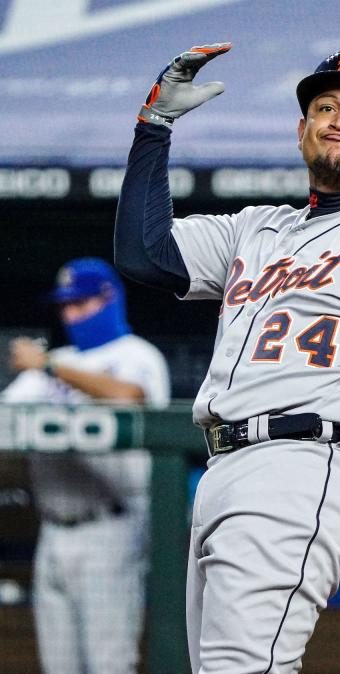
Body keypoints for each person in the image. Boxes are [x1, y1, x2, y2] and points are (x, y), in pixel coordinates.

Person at [114, 44, 340, 672]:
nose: (338, 119)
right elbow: (145, 253)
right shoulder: (257, 228)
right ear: (300, 130)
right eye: (324, 107)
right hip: (224, 469)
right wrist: (154, 128)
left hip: (308, 466)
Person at [1, 257, 170, 674]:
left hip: (111, 527)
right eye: (65, 306)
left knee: (108, 663)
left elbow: (130, 397)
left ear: (109, 299)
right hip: (53, 530)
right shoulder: (55, 362)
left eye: (80, 304)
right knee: (58, 666)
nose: (70, 314)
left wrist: (50, 366)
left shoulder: (136, 355)